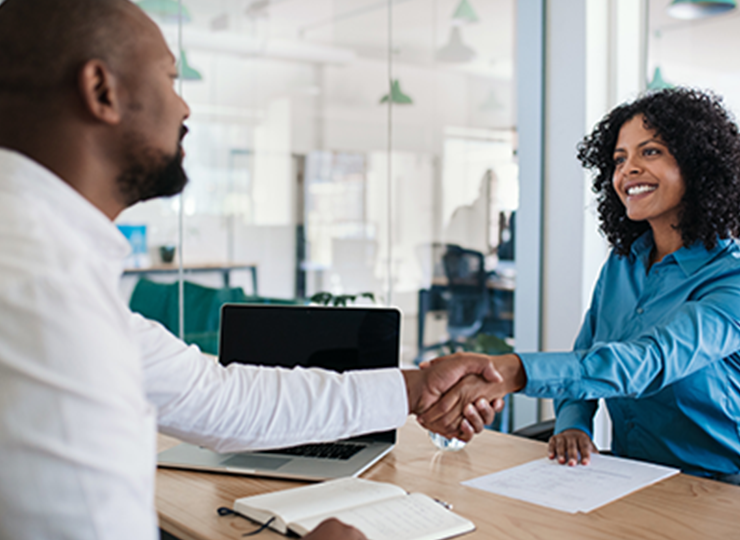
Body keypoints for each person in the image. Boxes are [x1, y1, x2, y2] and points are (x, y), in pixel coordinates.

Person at [0, 1, 499, 539]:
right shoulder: (41, 296)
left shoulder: (49, 266)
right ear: (103, 91)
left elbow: (220, 399)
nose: (184, 106)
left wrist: (417, 386)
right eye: (170, 78)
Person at [420, 88, 740, 484]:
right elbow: (588, 352)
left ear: (699, 165)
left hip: (716, 489)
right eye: (620, 159)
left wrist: (513, 371)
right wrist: (573, 422)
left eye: (650, 151)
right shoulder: (624, 264)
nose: (628, 170)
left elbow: (646, 362)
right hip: (629, 479)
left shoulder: (731, 281)